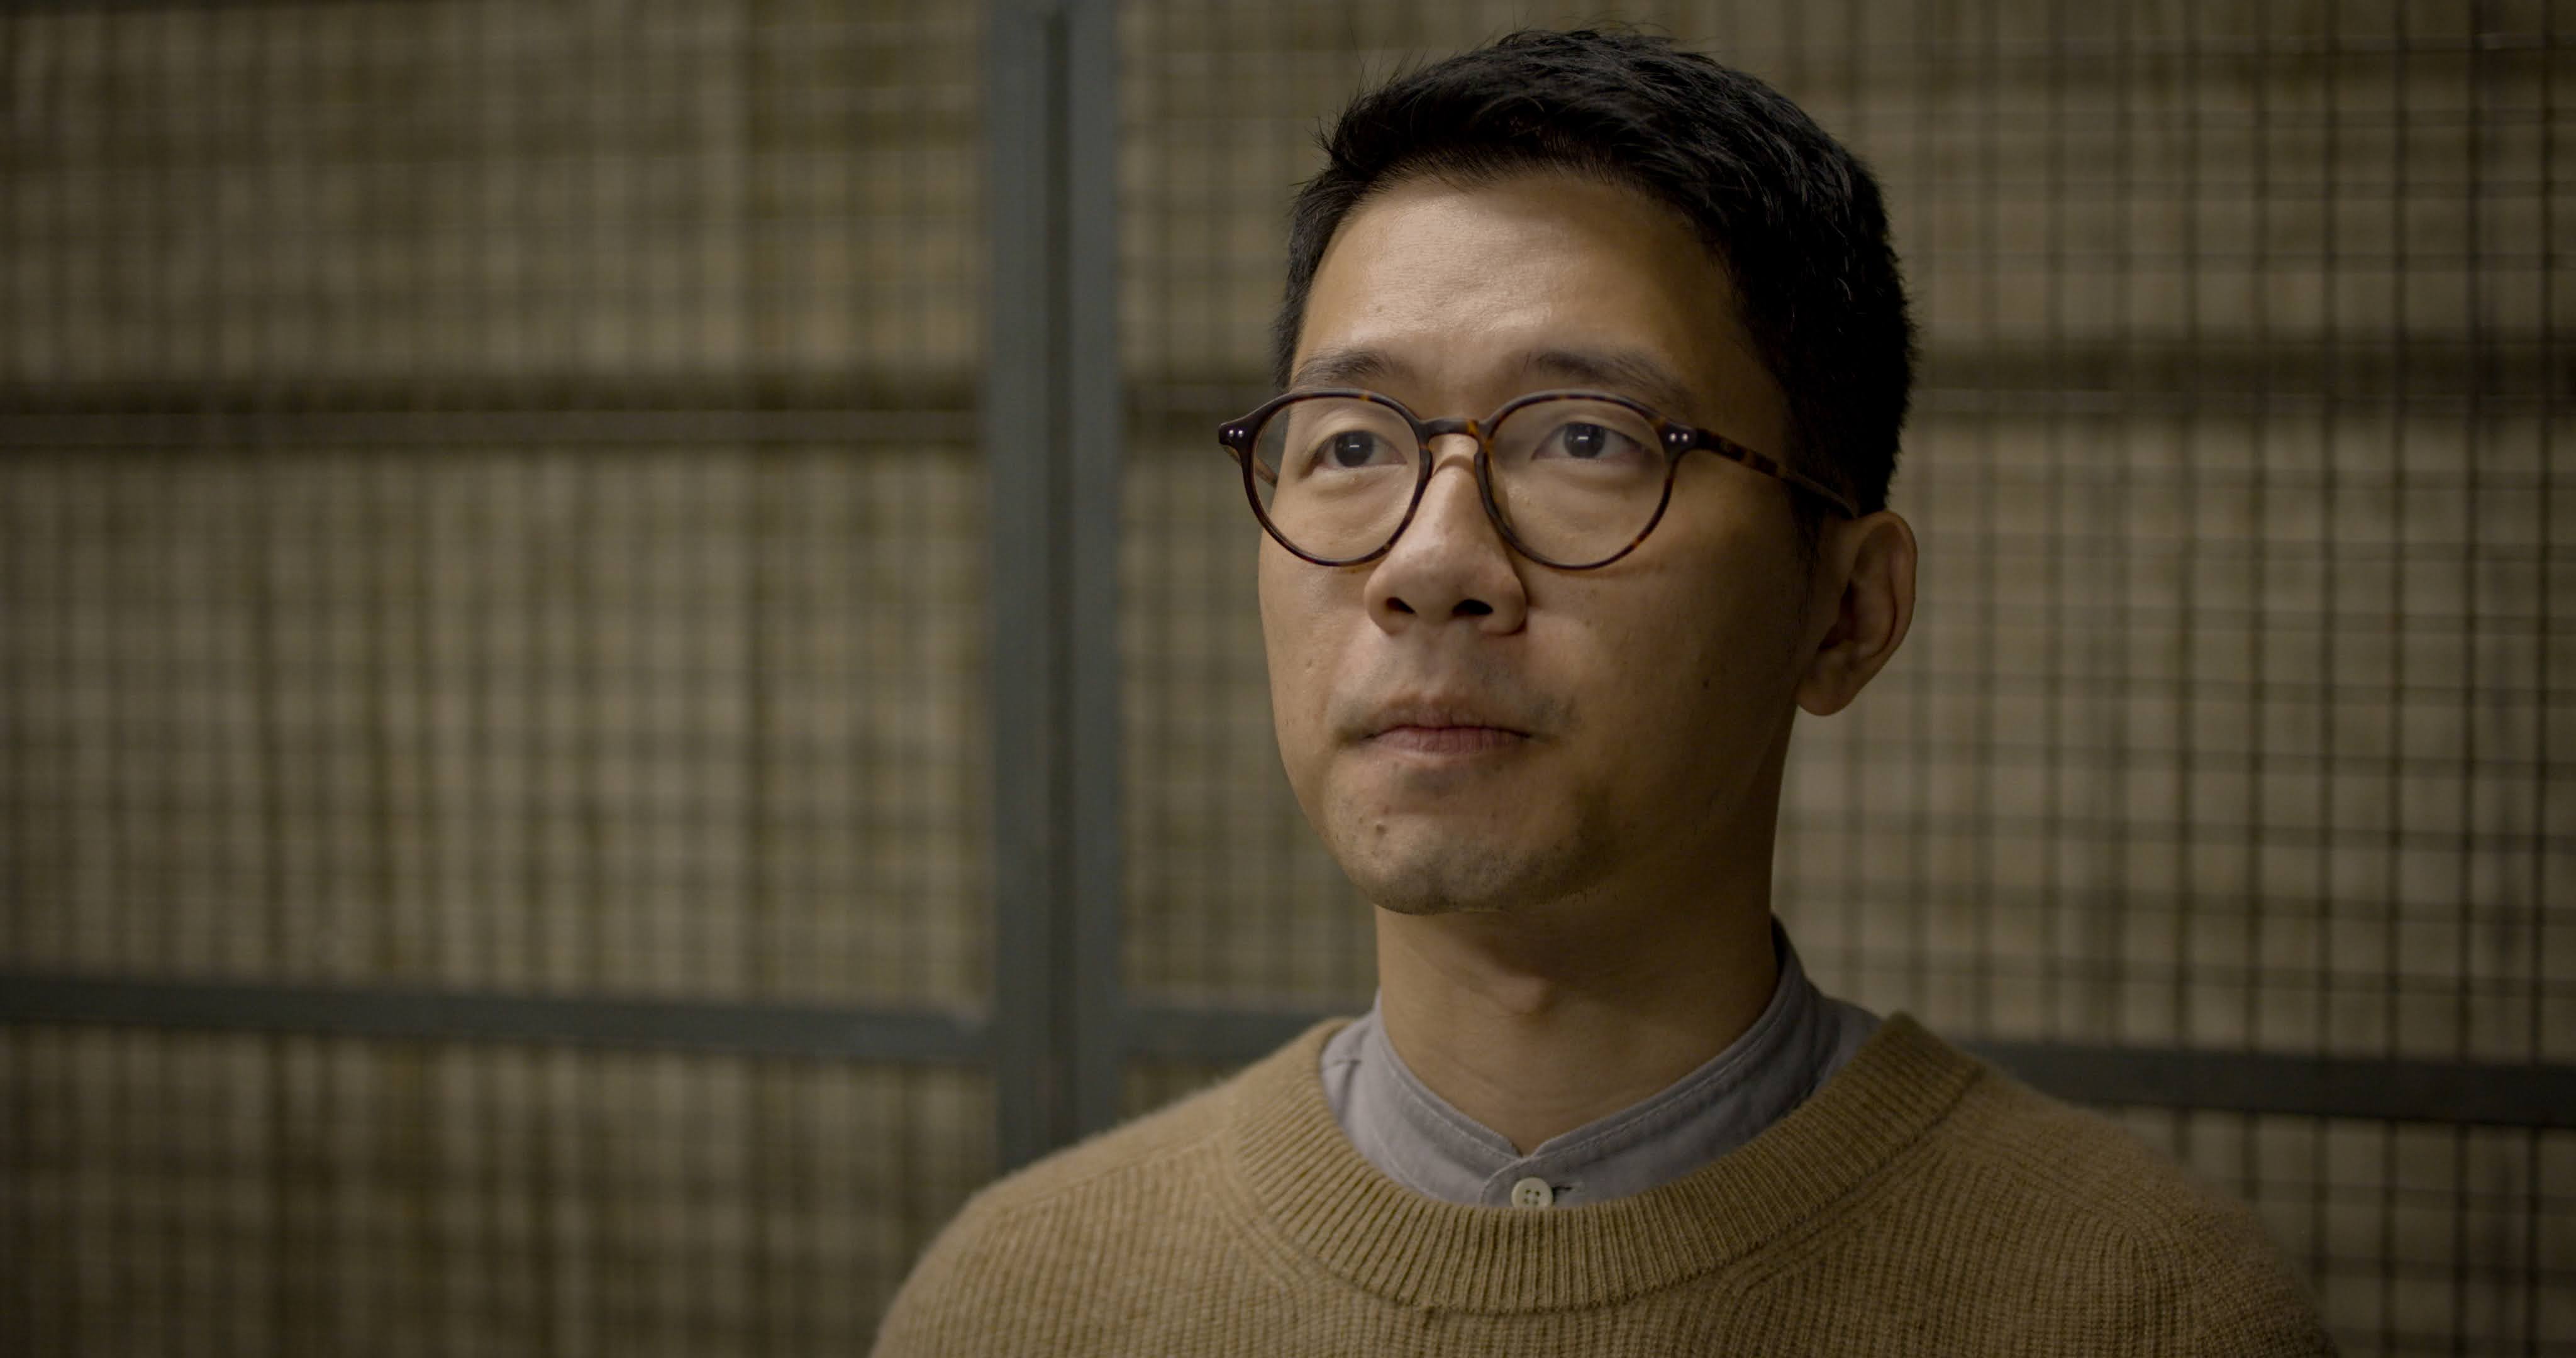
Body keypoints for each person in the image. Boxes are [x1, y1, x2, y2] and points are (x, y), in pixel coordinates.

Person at [874, 28, 2331, 1356]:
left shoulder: (2138, 1309)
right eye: (1347, 445)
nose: (1431, 562)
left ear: (1844, 610)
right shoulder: (1024, 1295)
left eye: (1584, 439)